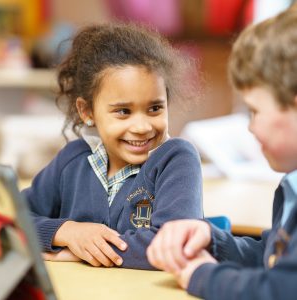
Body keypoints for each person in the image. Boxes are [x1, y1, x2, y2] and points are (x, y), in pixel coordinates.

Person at [23, 23, 203, 270]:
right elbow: (11, 219)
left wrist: (81, 254)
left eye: (155, 108)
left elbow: (173, 244)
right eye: (123, 111)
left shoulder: (176, 159)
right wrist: (66, 231)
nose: (141, 126)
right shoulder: (73, 160)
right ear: (87, 112)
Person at [147, 6, 297, 299]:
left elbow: (280, 289)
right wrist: (213, 241)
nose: (250, 128)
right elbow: (273, 259)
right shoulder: (291, 185)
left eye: (255, 111)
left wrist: (202, 275)